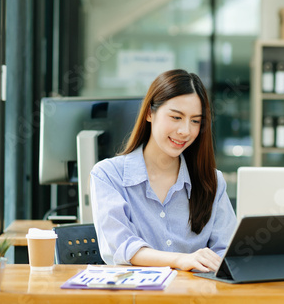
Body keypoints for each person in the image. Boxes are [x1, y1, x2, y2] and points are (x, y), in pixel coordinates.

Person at [90, 69, 237, 272]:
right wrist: (180, 260)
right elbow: (121, 247)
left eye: (195, 121)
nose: (185, 131)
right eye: (176, 117)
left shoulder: (211, 180)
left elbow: (227, 252)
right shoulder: (108, 175)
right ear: (150, 113)